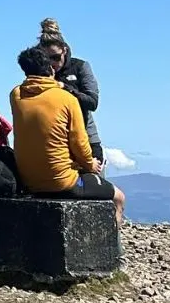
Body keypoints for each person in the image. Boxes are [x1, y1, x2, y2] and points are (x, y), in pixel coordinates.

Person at [10, 45, 124, 226]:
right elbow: (79, 141)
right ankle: (112, 247)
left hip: (28, 180)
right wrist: (90, 164)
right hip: (62, 181)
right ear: (50, 68)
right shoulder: (66, 99)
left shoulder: (16, 95)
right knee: (118, 197)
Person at [39, 18, 103, 168]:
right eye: (47, 59)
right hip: (56, 142)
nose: (53, 64)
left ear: (64, 50)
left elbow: (92, 102)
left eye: (55, 57)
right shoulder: (40, 73)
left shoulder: (80, 67)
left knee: (95, 187)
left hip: (86, 138)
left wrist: (66, 88)